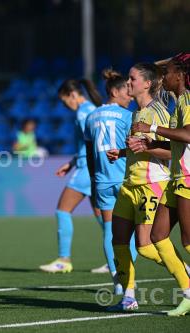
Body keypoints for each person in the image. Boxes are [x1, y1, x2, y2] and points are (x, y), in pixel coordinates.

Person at [106, 62, 171, 311]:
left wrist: (143, 145)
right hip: (129, 185)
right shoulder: (136, 113)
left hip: (151, 184)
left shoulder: (159, 113)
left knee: (144, 246)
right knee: (119, 242)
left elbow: (172, 152)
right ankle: (128, 298)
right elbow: (141, 148)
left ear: (147, 83)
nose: (128, 83)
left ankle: (184, 272)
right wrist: (123, 152)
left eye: (132, 79)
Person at [130, 53, 190, 316]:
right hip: (175, 178)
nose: (163, 77)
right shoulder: (178, 101)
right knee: (157, 236)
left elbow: (189, 135)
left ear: (180, 75)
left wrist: (152, 128)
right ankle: (188, 292)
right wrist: (149, 144)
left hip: (188, 178)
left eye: (168, 73)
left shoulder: (187, 99)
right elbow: (178, 142)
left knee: (188, 241)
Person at [40, 78, 103, 273]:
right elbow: (89, 145)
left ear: (73, 95)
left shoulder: (84, 113)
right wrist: (72, 163)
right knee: (103, 216)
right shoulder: (92, 109)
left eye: (64, 100)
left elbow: (95, 143)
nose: (65, 105)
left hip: (87, 168)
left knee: (63, 210)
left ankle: (63, 260)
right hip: (90, 166)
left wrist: (81, 164)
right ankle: (119, 257)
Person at [84, 69, 138, 294]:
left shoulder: (91, 117)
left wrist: (93, 182)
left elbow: (89, 155)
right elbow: (135, 148)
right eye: (127, 90)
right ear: (114, 91)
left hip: (102, 181)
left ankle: (118, 283)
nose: (131, 95)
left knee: (109, 230)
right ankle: (129, 280)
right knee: (133, 232)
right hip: (127, 178)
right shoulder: (128, 116)